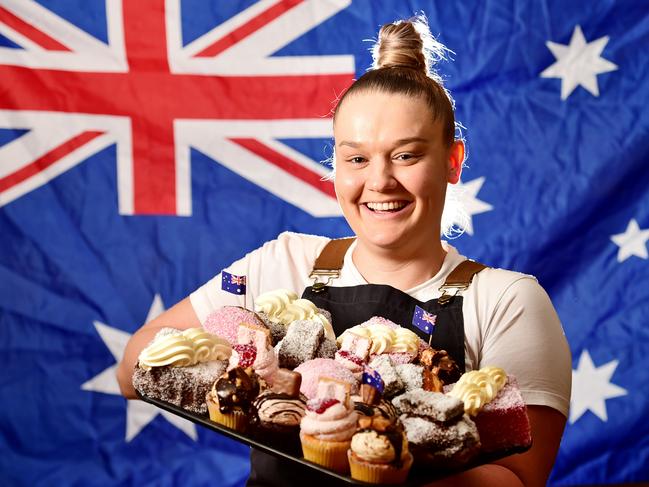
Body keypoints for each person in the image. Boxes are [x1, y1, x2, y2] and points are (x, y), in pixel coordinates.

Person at [117, 16, 571, 487]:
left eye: (407, 155)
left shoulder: (505, 300)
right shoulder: (285, 263)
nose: (379, 181)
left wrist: (383, 459)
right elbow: (132, 370)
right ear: (335, 166)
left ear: (452, 162)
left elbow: (520, 475)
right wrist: (253, 364)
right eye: (357, 158)